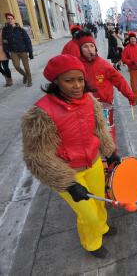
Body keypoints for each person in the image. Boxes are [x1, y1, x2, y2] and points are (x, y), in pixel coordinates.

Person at [21, 54, 121, 258]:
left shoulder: (89, 101)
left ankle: (101, 228)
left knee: (100, 203)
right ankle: (91, 243)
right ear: (56, 81)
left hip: (93, 163)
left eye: (80, 79)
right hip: (68, 172)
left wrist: (110, 153)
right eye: (69, 80)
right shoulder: (41, 113)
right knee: (88, 215)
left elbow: (100, 129)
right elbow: (37, 156)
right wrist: (67, 183)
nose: (77, 86)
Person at [76, 30, 136, 107]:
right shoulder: (77, 66)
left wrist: (130, 95)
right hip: (85, 106)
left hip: (104, 104)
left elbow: (119, 80)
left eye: (91, 46)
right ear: (81, 50)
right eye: (85, 46)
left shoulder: (103, 64)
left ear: (95, 48)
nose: (89, 49)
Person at [2, 13, 33, 87]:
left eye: (11, 18)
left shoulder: (20, 29)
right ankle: (24, 75)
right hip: (13, 52)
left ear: (14, 19)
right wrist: (7, 52)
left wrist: (30, 52)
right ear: (6, 20)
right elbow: (5, 42)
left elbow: (27, 40)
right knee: (17, 67)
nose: (10, 20)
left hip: (23, 51)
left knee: (26, 67)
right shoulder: (5, 30)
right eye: (8, 19)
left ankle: (29, 80)